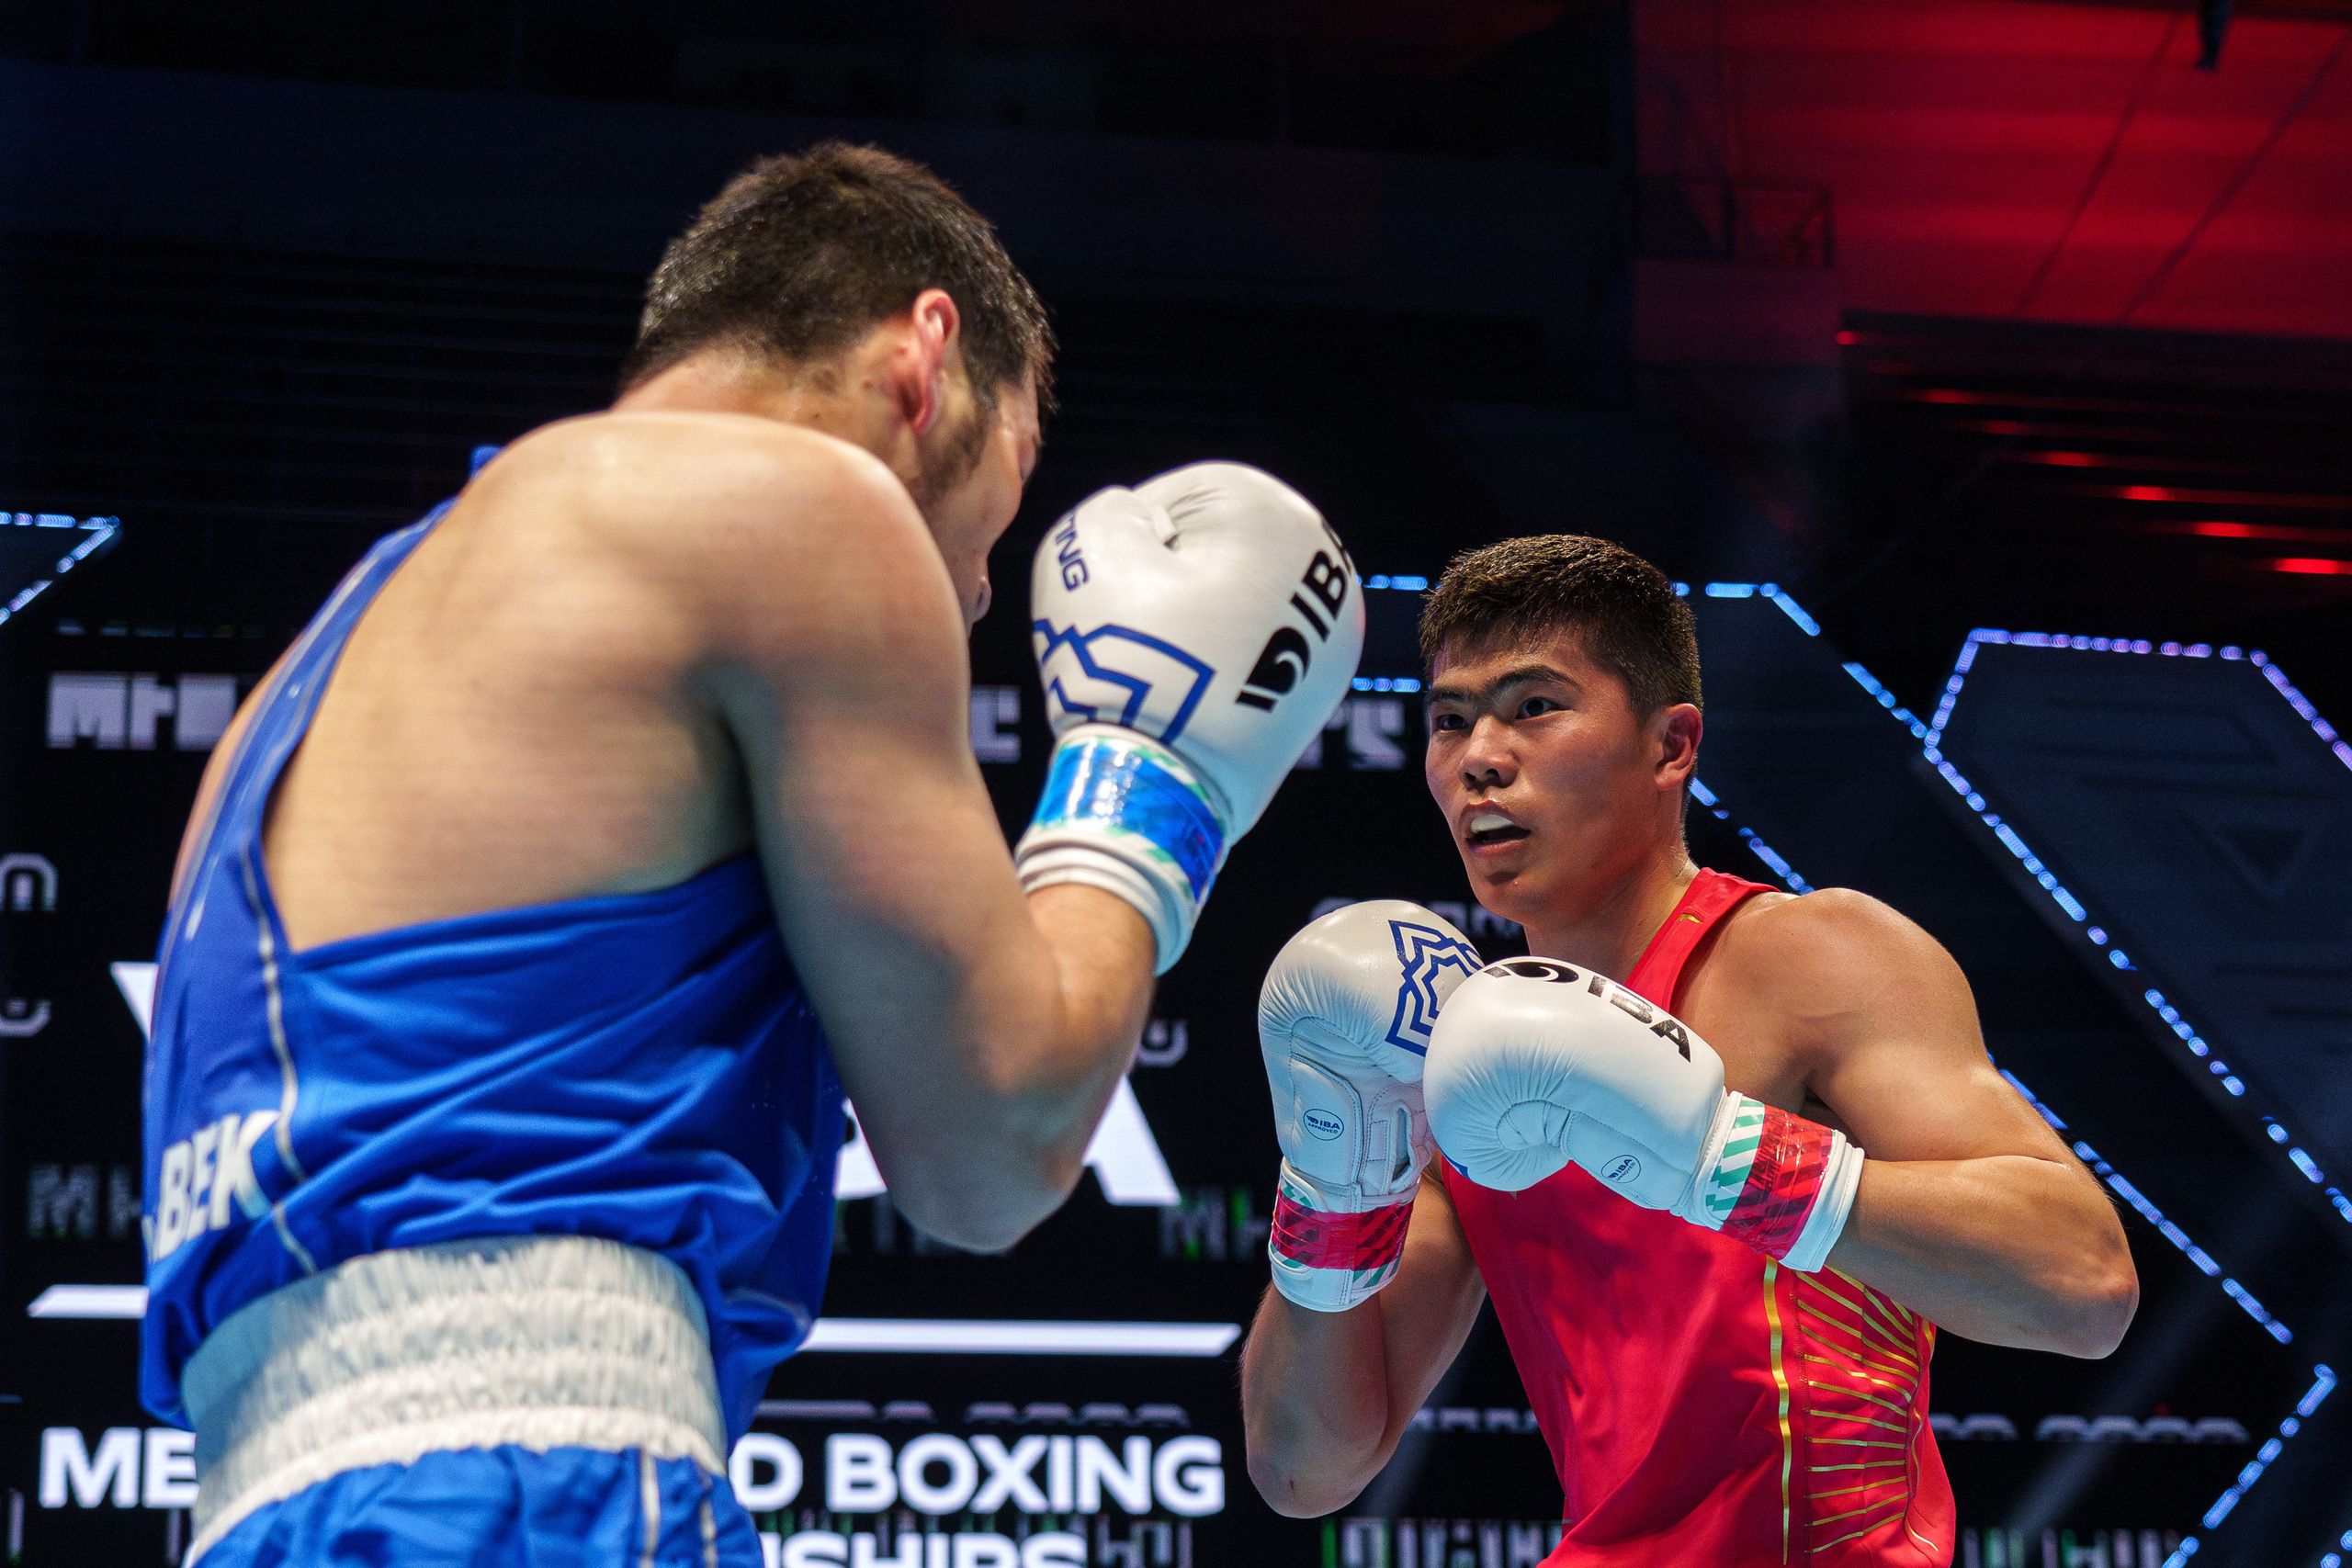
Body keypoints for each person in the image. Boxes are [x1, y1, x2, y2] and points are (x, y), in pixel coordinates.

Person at [142, 142, 1360, 1566]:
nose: (974, 589)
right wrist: (1152, 777)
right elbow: (994, 1149)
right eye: (1002, 509)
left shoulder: (324, 658)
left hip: (260, 1507)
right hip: (539, 1489)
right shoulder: (801, 504)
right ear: (924, 359)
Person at [1241, 536, 2138, 1565]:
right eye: (1450, 719)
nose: (1479, 755)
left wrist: (1721, 1157)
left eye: (1534, 706)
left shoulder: (1808, 957)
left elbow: (2083, 1287)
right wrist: (1331, 1185)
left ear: (1670, 746)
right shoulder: (1462, 1060)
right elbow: (1305, 1468)